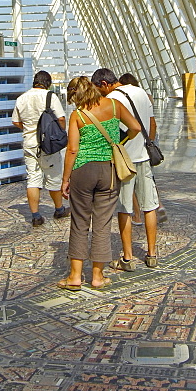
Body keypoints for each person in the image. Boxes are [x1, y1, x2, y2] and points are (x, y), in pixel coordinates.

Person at [59, 76, 140, 291]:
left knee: (79, 222)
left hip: (82, 170)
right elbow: (136, 128)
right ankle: (98, 277)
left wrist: (65, 179)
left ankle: (75, 276)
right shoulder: (114, 105)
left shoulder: (77, 115)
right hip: (109, 169)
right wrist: (120, 142)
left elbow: (73, 150)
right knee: (103, 223)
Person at [92, 67, 160, 270]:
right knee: (150, 206)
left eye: (99, 89)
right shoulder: (141, 92)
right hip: (144, 157)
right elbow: (152, 124)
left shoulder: (112, 99)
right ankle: (152, 254)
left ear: (104, 84)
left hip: (124, 161)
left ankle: (128, 258)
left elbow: (111, 132)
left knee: (125, 209)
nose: (99, 94)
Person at [12, 70, 69, 226]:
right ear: (47, 83)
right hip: (48, 144)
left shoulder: (21, 98)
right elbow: (61, 118)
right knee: (54, 177)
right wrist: (60, 131)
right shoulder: (50, 96)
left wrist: (29, 128)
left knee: (33, 179)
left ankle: (36, 216)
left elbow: (16, 122)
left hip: (29, 144)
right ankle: (59, 209)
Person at [118, 73, 167, 225]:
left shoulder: (118, 99)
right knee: (148, 179)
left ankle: (136, 214)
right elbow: (153, 124)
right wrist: (150, 142)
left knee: (129, 181)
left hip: (128, 147)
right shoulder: (145, 96)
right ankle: (157, 204)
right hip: (145, 147)